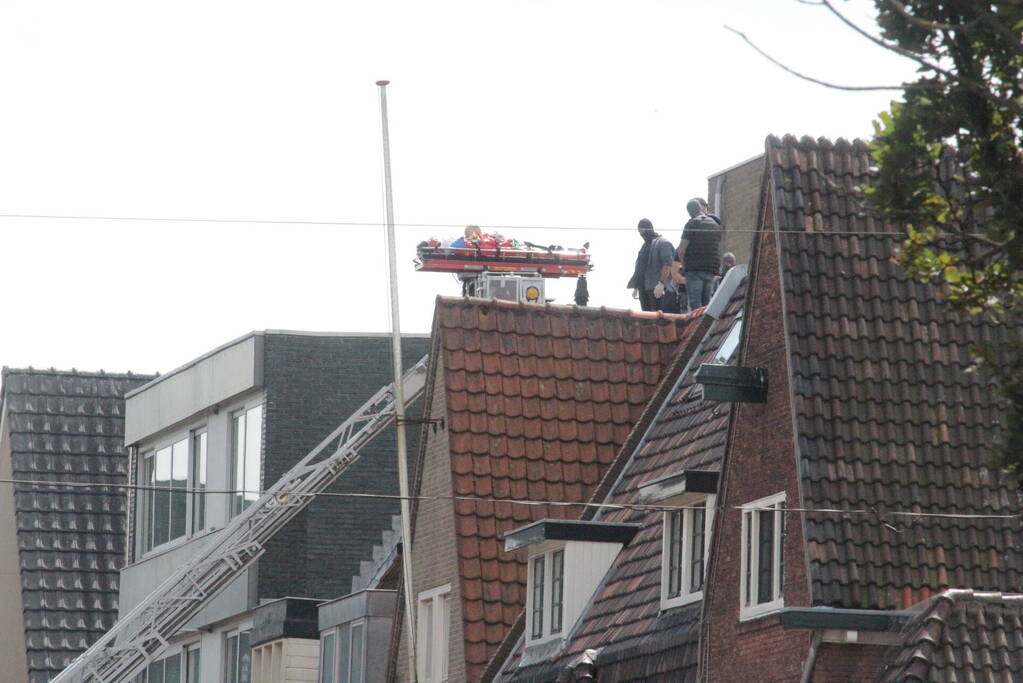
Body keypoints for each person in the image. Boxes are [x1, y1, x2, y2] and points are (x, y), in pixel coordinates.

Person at [678, 198, 722, 310]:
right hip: (711, 269)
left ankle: (696, 321)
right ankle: (705, 322)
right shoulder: (714, 225)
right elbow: (717, 246)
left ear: (689, 212)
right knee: (706, 306)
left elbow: (681, 250)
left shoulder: (691, 223)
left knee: (695, 306)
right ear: (700, 208)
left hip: (694, 270)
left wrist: (684, 265)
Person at [627, 218, 674, 312]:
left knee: (658, 316)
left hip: (656, 288)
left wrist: (661, 283)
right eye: (640, 232)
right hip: (643, 287)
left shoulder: (663, 243)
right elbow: (640, 266)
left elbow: (667, 265)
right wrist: (636, 285)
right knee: (646, 317)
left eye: (642, 231)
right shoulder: (644, 246)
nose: (641, 234)